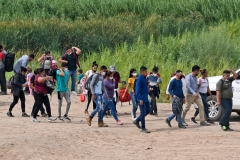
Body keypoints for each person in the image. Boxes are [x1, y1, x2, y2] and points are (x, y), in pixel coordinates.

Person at [133, 66, 151, 133]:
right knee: (143, 113)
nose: (146, 72)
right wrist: (140, 98)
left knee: (148, 110)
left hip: (145, 98)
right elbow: (137, 90)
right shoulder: (139, 79)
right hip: (141, 98)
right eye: (145, 71)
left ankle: (137, 120)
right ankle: (143, 127)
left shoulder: (144, 78)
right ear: (142, 72)